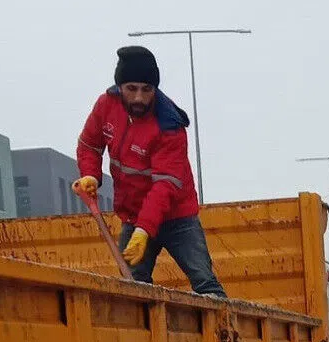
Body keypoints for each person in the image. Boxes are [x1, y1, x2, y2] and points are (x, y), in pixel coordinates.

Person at [74, 46, 226, 297]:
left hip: (178, 218)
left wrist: (144, 230)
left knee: (205, 283)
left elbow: (165, 186)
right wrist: (91, 175)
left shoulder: (169, 125)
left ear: (154, 89)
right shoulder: (106, 105)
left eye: (146, 90)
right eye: (131, 88)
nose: (138, 98)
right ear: (119, 86)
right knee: (133, 290)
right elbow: (89, 144)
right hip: (133, 216)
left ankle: (224, 330)